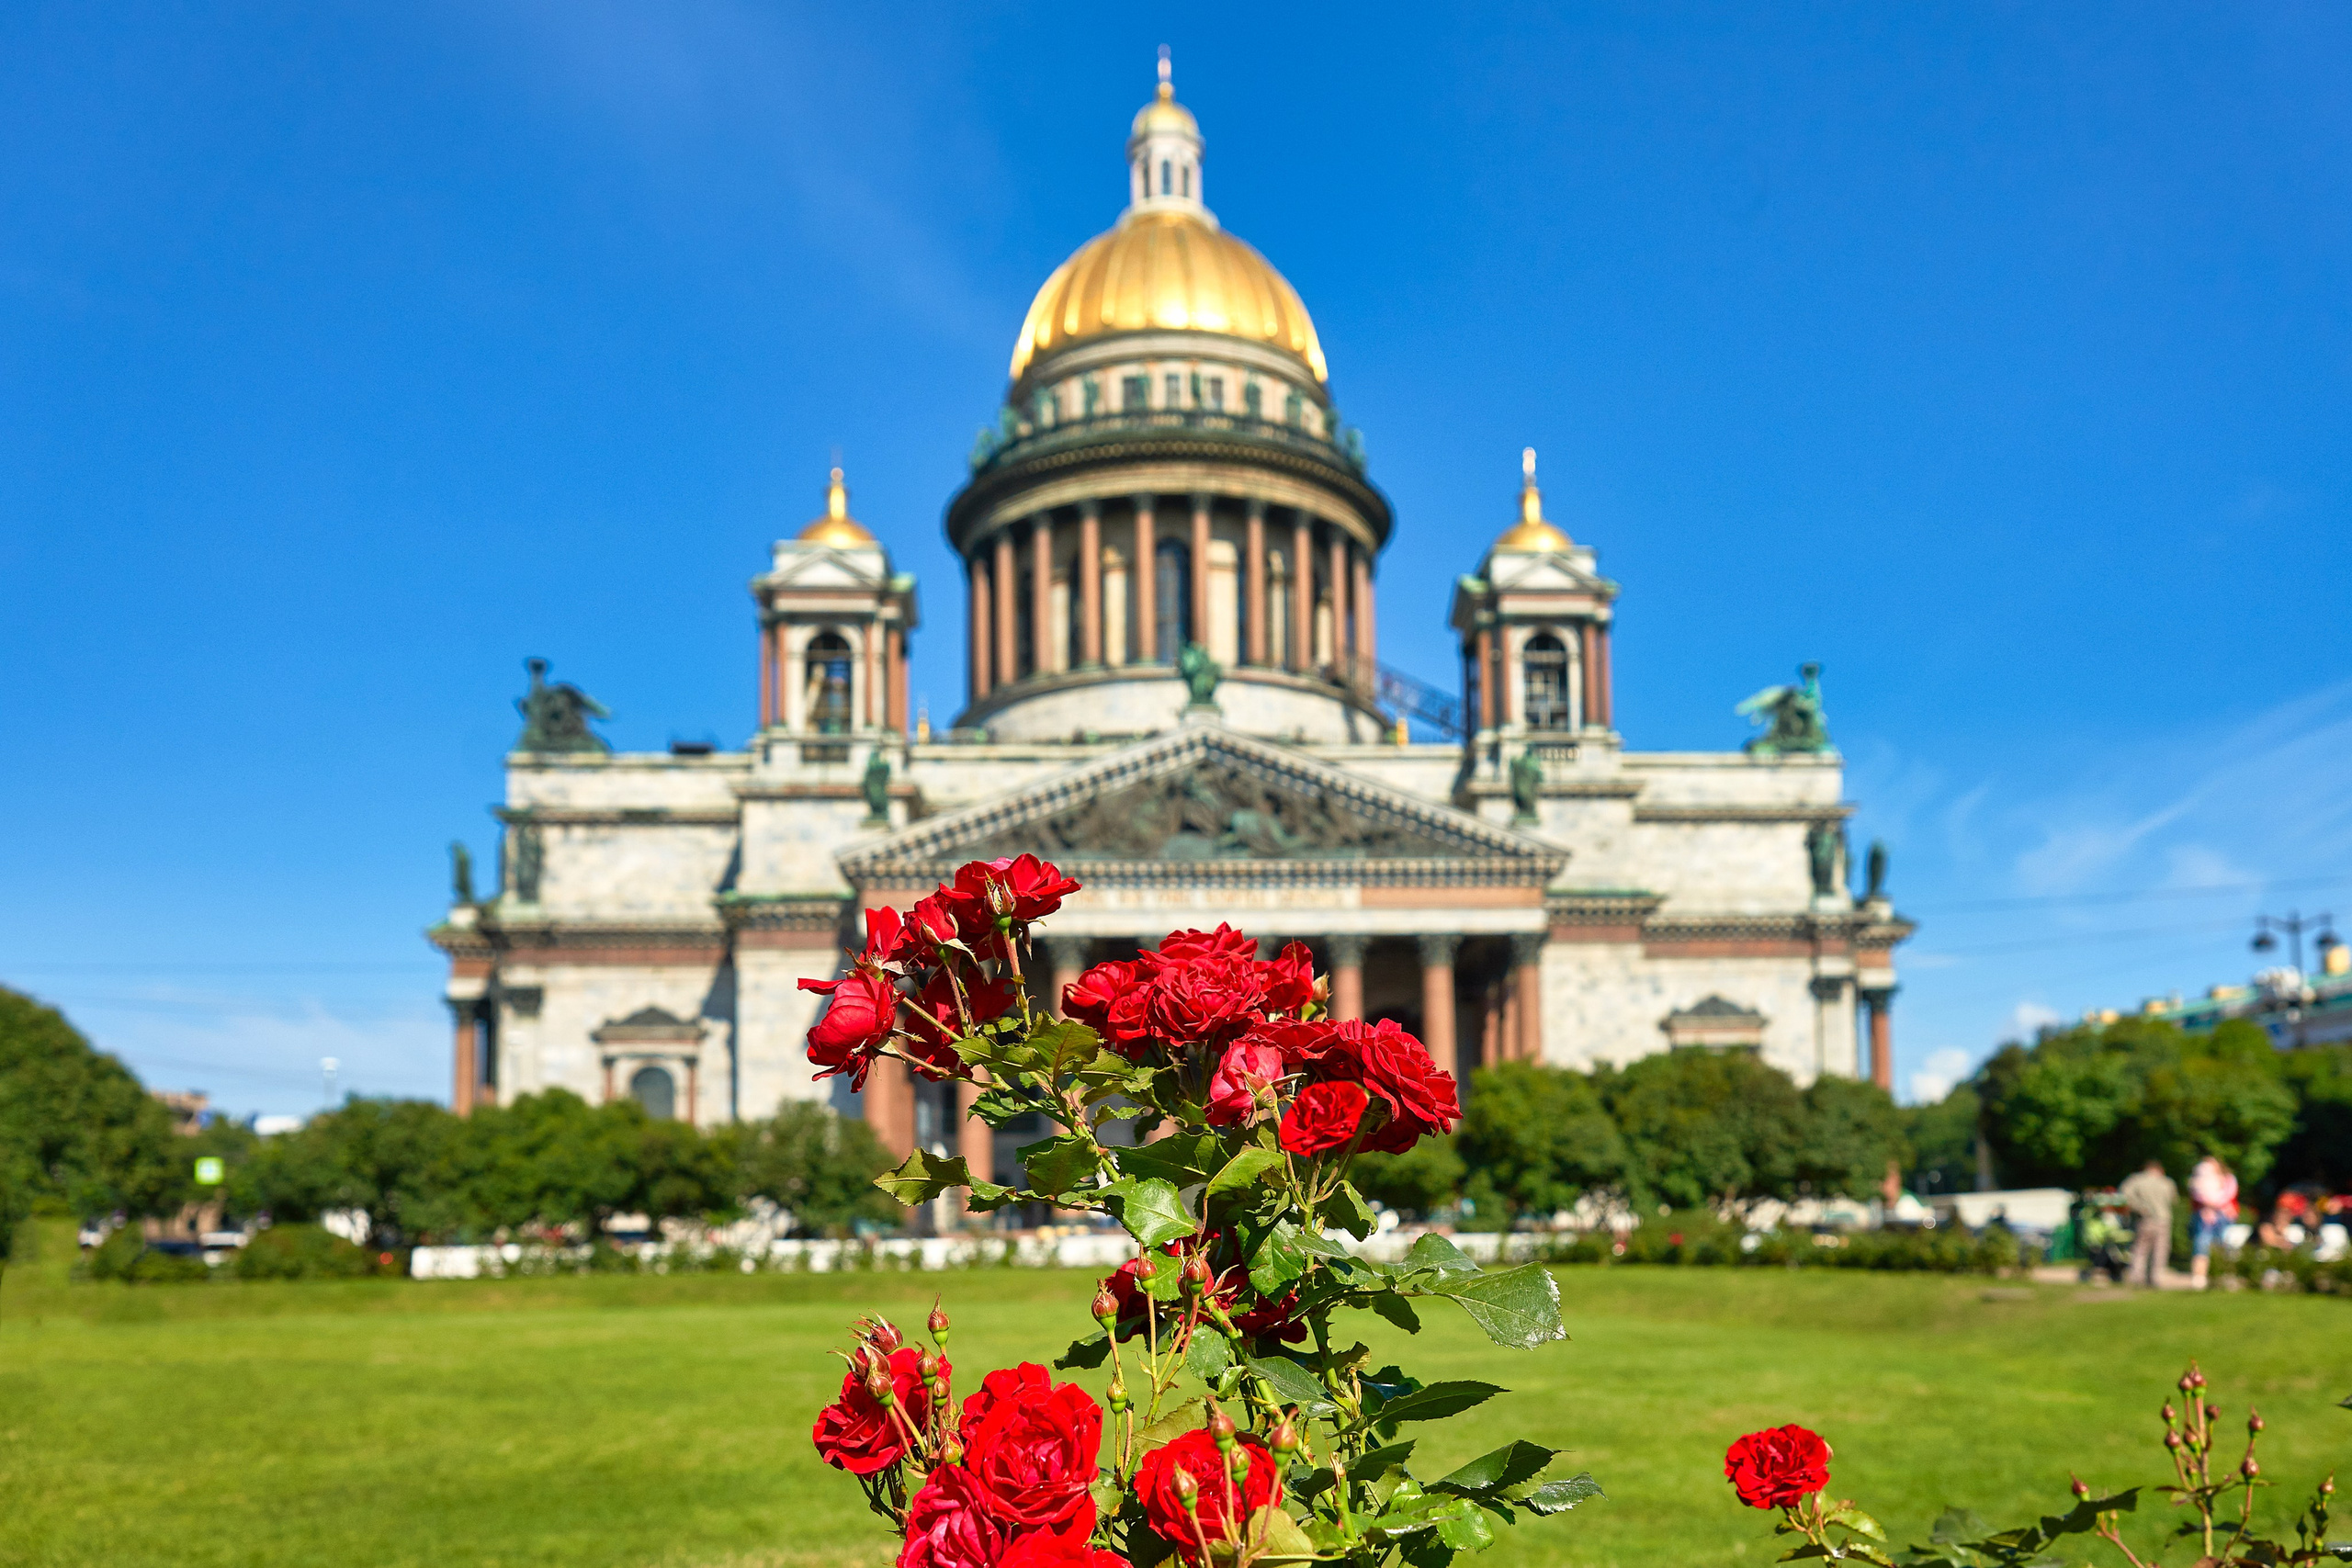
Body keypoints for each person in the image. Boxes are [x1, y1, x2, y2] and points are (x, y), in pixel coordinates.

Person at [2119, 1158, 2178, 1289]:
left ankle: (2137, 1277)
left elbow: (2124, 1195)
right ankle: (2157, 1278)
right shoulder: (2167, 1182)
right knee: (2160, 1250)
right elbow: (2174, 1199)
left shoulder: (2136, 1180)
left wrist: (2139, 1207)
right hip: (2163, 1220)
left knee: (2140, 1249)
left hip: (2144, 1219)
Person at [2188, 1154, 2238, 1291]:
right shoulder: (2198, 1181)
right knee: (2202, 1244)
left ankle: (2224, 1274)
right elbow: (2197, 1193)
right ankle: (2199, 1277)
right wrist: (2208, 1204)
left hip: (2223, 1216)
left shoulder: (2228, 1179)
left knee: (2225, 1245)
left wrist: (2213, 1204)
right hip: (2204, 1216)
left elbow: (2228, 1195)